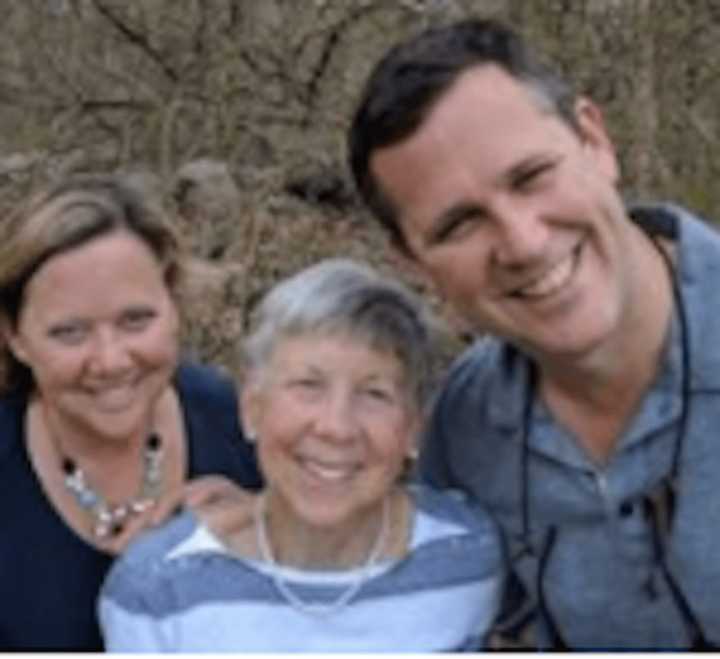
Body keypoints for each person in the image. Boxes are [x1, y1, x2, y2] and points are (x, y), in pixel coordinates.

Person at [348, 18, 720, 650]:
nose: (523, 242)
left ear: (595, 141)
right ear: (412, 262)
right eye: (460, 223)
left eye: (530, 176)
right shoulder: (465, 428)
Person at [98, 258, 504, 652]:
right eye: (309, 385)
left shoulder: (470, 556)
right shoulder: (161, 588)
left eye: (375, 393)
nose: (336, 427)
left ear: (413, 427)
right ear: (251, 409)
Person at [0, 174, 262, 651]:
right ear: (14, 336)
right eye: (70, 332)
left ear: (174, 304)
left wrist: (272, 532)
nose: (111, 361)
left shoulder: (237, 419)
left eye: (135, 320)